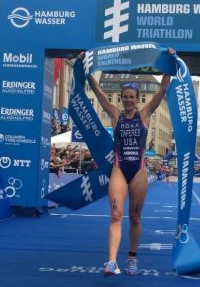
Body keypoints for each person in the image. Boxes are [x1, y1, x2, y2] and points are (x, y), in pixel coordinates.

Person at [81, 48, 175, 276]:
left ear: (137, 98)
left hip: (139, 172)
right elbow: (97, 90)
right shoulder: (115, 114)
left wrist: (170, 60)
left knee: (135, 218)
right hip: (120, 170)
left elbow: (163, 88)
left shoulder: (145, 114)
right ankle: (112, 261)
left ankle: (132, 257)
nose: (129, 101)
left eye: (132, 97)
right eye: (125, 97)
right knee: (115, 215)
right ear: (122, 99)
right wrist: (85, 66)